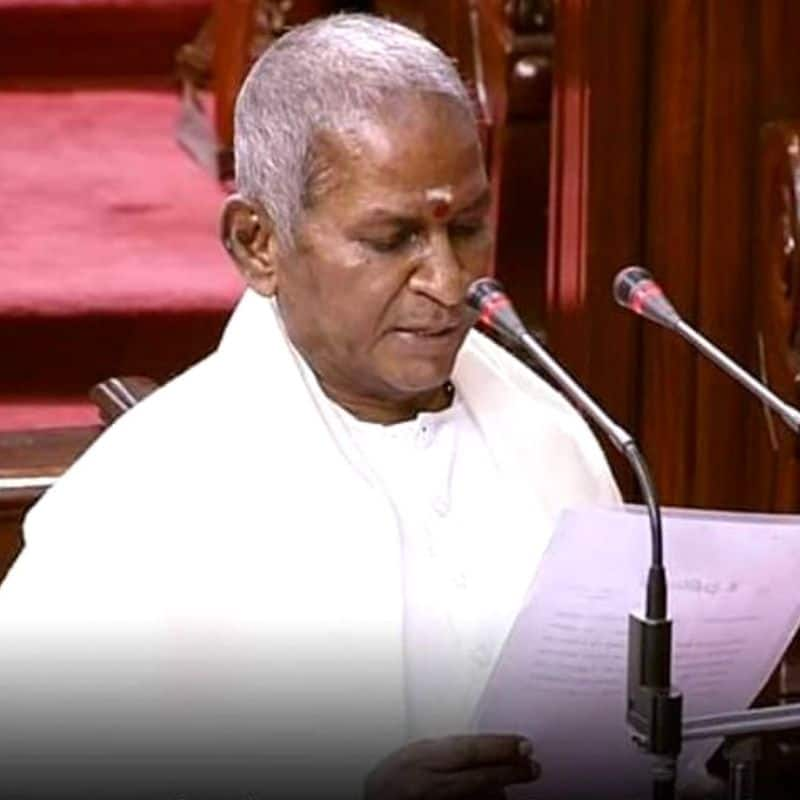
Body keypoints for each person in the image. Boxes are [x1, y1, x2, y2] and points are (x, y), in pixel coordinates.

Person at [0, 13, 620, 799]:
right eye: (392, 239)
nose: (449, 279)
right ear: (258, 243)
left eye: (467, 227)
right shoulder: (135, 506)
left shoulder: (552, 433)